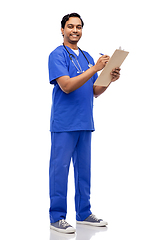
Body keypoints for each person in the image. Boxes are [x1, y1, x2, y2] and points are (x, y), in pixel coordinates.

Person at [48, 13, 120, 234]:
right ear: (62, 30)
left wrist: (109, 78)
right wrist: (95, 68)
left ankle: (84, 213)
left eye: (79, 27)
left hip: (85, 122)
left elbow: (94, 91)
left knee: (84, 171)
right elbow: (67, 86)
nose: (75, 30)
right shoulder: (57, 55)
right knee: (59, 170)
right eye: (70, 26)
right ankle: (57, 217)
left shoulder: (87, 57)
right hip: (64, 124)